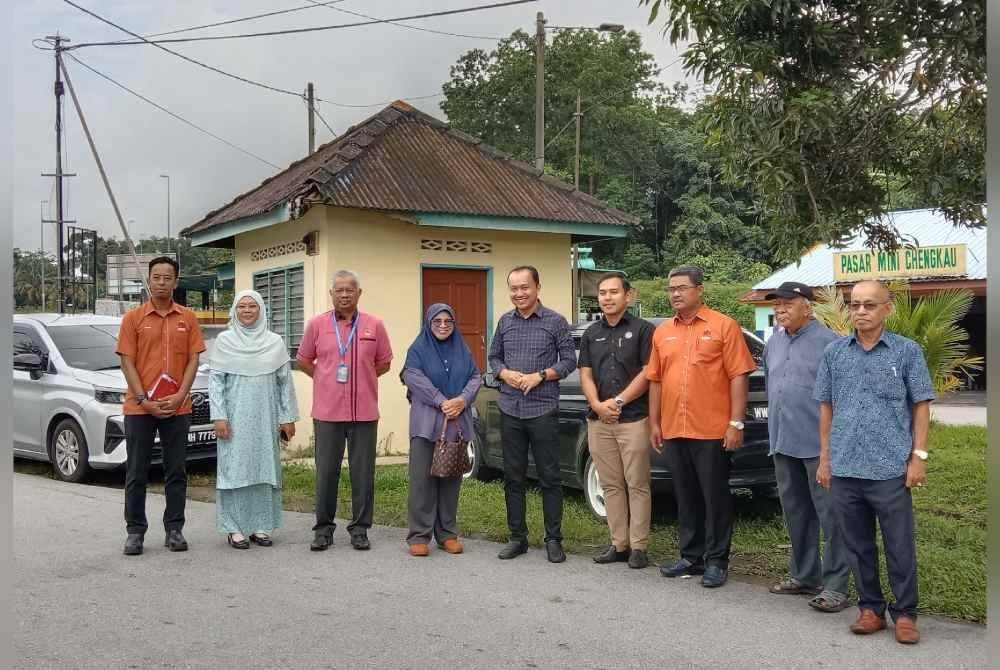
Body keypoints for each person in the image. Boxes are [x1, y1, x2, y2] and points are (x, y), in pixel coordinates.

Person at [815, 280, 934, 644]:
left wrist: (918, 457)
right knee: (857, 544)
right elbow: (826, 407)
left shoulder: (906, 352)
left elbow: (921, 405)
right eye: (855, 305)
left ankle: (905, 614)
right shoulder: (835, 353)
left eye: (869, 305)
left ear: (887, 309)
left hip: (890, 470)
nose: (861, 311)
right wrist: (825, 459)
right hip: (846, 467)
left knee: (899, 545)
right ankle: (870, 609)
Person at [646, 266, 757, 588]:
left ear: (699, 290)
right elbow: (655, 380)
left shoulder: (724, 326)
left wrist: (736, 423)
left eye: (682, 287)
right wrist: (655, 423)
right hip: (674, 429)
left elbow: (739, 375)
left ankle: (717, 561)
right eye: (670, 289)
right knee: (686, 495)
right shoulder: (662, 331)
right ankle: (690, 557)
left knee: (715, 498)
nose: (675, 294)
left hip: (711, 429)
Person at [761, 282, 850, 611]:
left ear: (807, 308)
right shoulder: (773, 343)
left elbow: (842, 400)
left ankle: (837, 585)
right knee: (796, 513)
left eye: (788, 304)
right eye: (778, 304)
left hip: (818, 447)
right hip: (782, 441)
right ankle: (804, 576)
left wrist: (833, 448)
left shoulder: (831, 344)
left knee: (832, 517)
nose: (780, 309)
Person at [297, 270, 393, 552]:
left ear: (359, 293)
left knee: (363, 474)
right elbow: (303, 360)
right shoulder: (316, 325)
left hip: (364, 413)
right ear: (331, 294)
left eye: (350, 289)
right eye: (339, 290)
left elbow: (384, 363)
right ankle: (323, 529)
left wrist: (363, 378)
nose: (344, 294)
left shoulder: (374, 325)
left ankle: (360, 529)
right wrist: (325, 377)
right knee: (326, 473)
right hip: (327, 413)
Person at [116, 256, 205, 556]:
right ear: (149, 280)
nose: (162, 282)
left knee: (176, 470)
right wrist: (144, 400)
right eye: (157, 277)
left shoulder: (188, 318)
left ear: (176, 282)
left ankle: (175, 529)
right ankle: (135, 532)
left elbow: (194, 359)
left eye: (168, 278)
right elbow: (126, 361)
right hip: (141, 407)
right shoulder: (133, 318)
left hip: (177, 407)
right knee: (137, 471)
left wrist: (181, 395)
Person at [487, 266, 576, 563]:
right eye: (513, 288)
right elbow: (493, 358)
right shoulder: (505, 322)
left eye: (524, 287)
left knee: (549, 477)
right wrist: (505, 373)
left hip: (543, 409)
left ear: (537, 286)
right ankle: (518, 538)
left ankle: (553, 539)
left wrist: (542, 375)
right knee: (513, 476)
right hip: (510, 408)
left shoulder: (556, 322)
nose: (519, 293)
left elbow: (569, 362)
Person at [209, 290, 299, 549]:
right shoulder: (225, 341)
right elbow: (216, 383)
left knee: (264, 468)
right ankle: (235, 528)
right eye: (242, 307)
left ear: (261, 311)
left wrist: (287, 417)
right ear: (235, 311)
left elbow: (285, 383)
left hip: (266, 418)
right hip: (234, 419)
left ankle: (261, 526)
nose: (247, 311)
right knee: (234, 470)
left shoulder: (274, 342)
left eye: (252, 307)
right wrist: (219, 416)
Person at [578, 273, 655, 569]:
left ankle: (638, 547)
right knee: (610, 484)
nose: (607, 298)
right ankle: (618, 543)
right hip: (599, 421)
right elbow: (585, 373)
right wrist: (597, 405)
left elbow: (648, 373)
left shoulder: (643, 330)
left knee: (637, 483)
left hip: (633, 419)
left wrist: (618, 401)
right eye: (602, 293)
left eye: (613, 292)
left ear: (628, 296)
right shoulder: (590, 333)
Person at [400, 303, 481, 556]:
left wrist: (462, 400)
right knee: (421, 480)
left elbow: (475, 377)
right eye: (437, 321)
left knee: (450, 478)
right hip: (426, 424)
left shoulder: (462, 349)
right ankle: (419, 535)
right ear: (428, 323)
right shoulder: (418, 349)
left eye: (448, 321)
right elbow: (412, 376)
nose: (443, 326)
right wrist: (441, 400)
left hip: (455, 423)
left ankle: (447, 533)